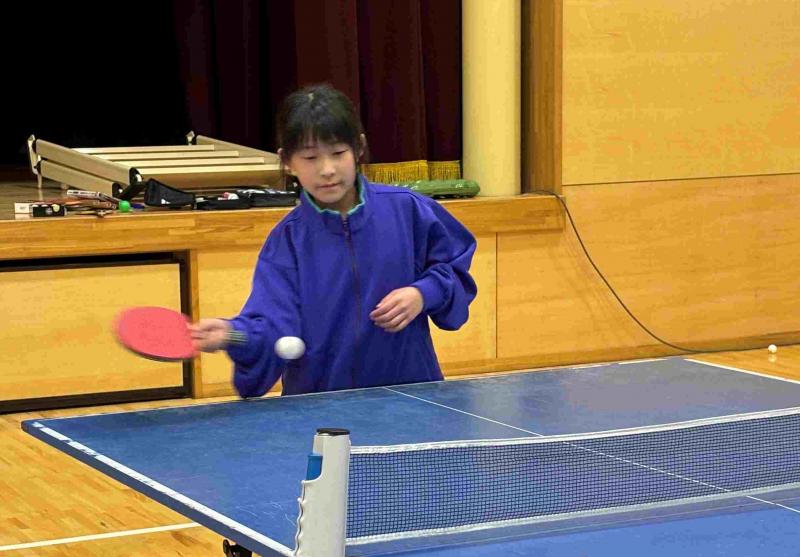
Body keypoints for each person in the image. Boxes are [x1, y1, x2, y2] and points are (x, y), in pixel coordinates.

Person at [191, 84, 477, 397]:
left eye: (338, 153)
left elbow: (455, 270)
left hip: (412, 398)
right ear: (287, 161)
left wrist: (423, 293)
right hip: (319, 407)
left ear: (359, 148)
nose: (327, 170)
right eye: (310, 157)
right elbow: (273, 326)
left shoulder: (408, 210)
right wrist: (232, 334)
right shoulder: (287, 241)